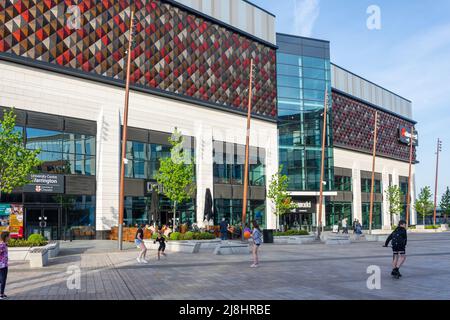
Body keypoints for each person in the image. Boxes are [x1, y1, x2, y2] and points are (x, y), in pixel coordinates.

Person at [0, 231, 10, 300]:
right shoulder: (2, 245)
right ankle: (1, 294)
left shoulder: (4, 244)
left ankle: (2, 293)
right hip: (2, 265)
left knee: (2, 280)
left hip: (4, 264)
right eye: (9, 236)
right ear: (6, 237)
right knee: (2, 280)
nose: (10, 237)